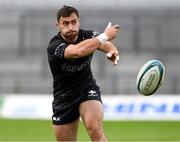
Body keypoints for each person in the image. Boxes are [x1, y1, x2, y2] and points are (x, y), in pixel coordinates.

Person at [47, 5, 120, 141]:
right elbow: (78, 51)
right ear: (58, 25)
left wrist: (112, 52)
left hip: (87, 90)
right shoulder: (54, 46)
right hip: (63, 98)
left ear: (79, 21)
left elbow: (106, 45)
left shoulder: (88, 35)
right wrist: (104, 36)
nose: (70, 27)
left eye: (74, 22)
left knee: (95, 128)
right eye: (65, 23)